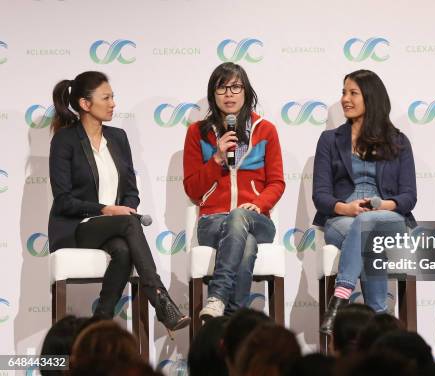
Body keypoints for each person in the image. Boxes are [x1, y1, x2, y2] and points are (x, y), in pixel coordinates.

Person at [48, 71, 189, 334]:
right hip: (76, 226)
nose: (113, 103)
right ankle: (160, 298)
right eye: (106, 97)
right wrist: (106, 210)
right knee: (126, 225)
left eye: (113, 97)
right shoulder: (64, 140)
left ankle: (99, 323)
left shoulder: (118, 137)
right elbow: (64, 201)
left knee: (123, 251)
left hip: (114, 225)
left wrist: (127, 208)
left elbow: (131, 192)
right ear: (85, 104)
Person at [313, 69, 417, 334]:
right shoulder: (329, 140)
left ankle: (340, 296)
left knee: (368, 223)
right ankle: (379, 321)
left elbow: (408, 197)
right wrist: (346, 208)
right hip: (342, 218)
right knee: (368, 238)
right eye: (343, 92)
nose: (345, 99)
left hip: (387, 217)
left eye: (353, 93)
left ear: (370, 98)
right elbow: (321, 195)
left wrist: (381, 205)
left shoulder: (398, 141)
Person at [183, 62, 285, 321]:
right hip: (212, 221)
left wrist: (259, 204)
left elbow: (277, 182)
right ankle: (232, 322)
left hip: (257, 218)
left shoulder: (266, 130)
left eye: (235, 87)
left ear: (246, 91)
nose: (229, 94)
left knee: (240, 217)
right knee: (246, 243)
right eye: (222, 88)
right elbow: (193, 190)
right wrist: (216, 158)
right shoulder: (197, 133)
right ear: (212, 94)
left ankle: (216, 297)